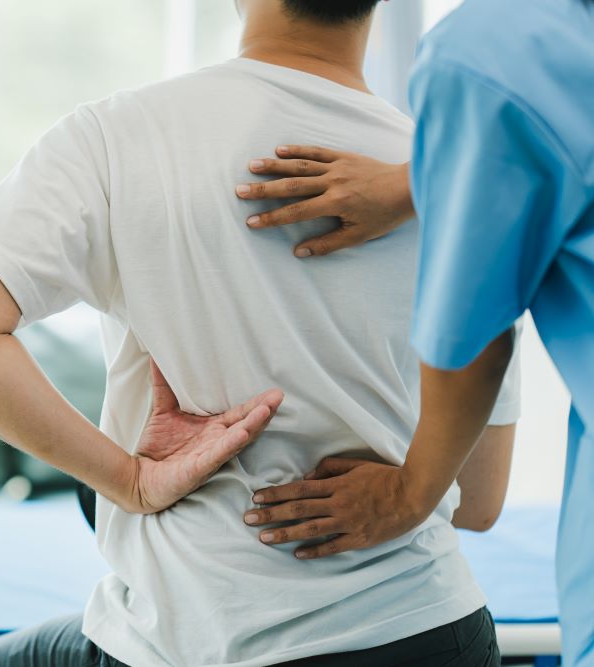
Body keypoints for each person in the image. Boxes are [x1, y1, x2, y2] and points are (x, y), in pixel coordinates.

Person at [0, 1, 521, 665]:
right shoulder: (450, 182)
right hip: (423, 630)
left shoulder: (116, 137)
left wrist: (127, 478)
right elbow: (480, 499)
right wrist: (403, 489)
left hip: (194, 642)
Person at [234, 1, 594, 664]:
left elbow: (477, 342)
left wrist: (409, 491)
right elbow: (482, 502)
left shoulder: (494, 53)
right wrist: (415, 180)